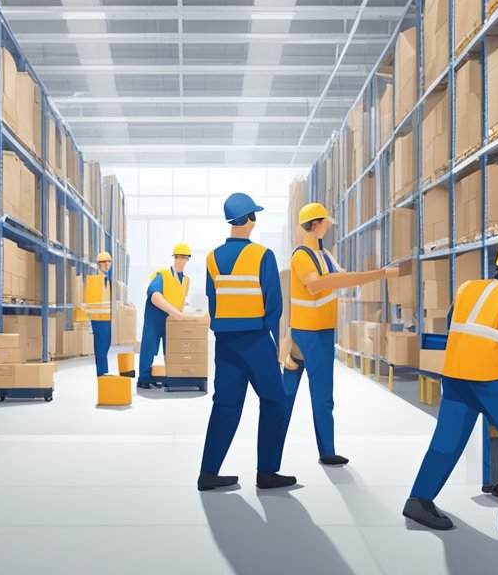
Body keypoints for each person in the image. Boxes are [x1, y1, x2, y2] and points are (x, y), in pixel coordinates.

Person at [402, 237, 498, 545]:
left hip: (455, 374)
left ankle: (418, 500)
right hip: (489, 378)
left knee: (448, 439)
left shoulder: (468, 288)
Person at [283, 203, 401, 466]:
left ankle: (327, 451)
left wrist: (366, 276)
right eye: (326, 223)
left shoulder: (325, 254)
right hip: (309, 334)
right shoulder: (301, 256)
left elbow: (345, 278)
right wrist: (380, 274)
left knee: (320, 396)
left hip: (322, 331)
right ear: (316, 225)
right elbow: (317, 285)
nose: (328, 227)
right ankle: (271, 459)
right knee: (290, 396)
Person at [198, 193, 295, 492]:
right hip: (255, 340)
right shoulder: (262, 255)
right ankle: (266, 472)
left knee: (225, 404)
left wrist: (222, 328)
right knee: (275, 400)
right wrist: (274, 342)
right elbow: (274, 304)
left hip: (225, 343)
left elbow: (212, 300)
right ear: (250, 219)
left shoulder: (212, 258)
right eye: (255, 215)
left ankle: (208, 474)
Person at [137, 242, 192, 389]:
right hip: (155, 317)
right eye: (178, 257)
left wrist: (188, 309)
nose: (181, 260)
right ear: (174, 257)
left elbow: (181, 298)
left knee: (172, 350)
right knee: (149, 347)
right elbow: (154, 296)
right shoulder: (163, 274)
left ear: (187, 259)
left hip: (172, 320)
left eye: (184, 257)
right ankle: (143, 380)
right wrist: (173, 312)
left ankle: (172, 377)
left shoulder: (186, 280)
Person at [83, 251, 114, 376]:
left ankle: (104, 372)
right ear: (99, 264)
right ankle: (101, 373)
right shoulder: (94, 280)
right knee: (101, 347)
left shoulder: (107, 279)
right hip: (98, 318)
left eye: (108, 262)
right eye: (104, 262)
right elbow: (90, 300)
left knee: (105, 345)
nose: (107, 264)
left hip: (107, 318)